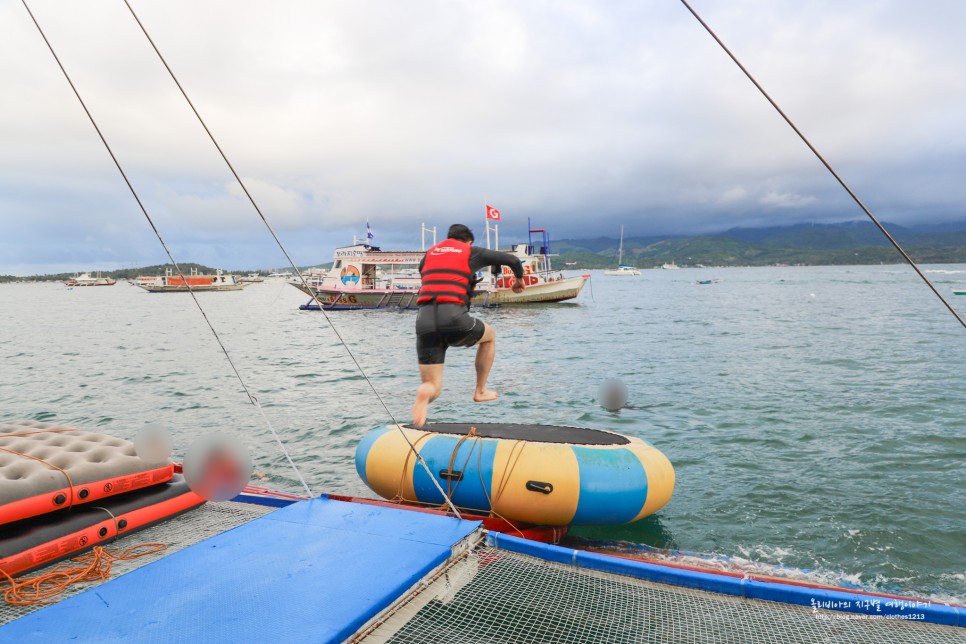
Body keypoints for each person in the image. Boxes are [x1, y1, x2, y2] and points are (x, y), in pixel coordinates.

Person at [411, 223, 525, 427]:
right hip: (454, 317)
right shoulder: (471, 251)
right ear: (468, 240)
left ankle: (423, 393)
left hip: (424, 321)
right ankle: (480, 391)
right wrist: (518, 280)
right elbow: (513, 260)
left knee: (433, 386)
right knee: (490, 335)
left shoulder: (429, 255)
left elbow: (428, 274)